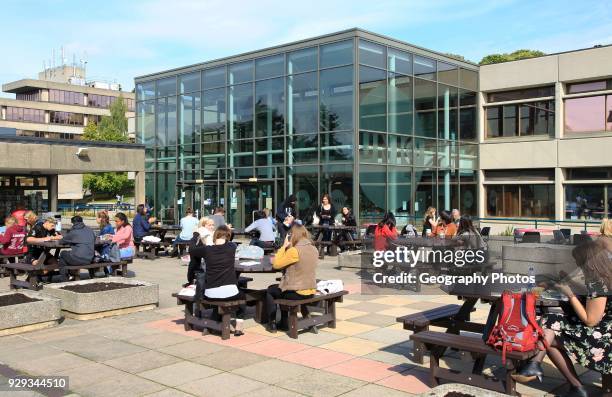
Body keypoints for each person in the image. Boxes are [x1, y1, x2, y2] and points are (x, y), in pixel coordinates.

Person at [513, 231, 611, 397]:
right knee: (551, 324)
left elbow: (590, 320)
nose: (578, 266)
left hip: (602, 340)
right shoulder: (605, 276)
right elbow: (594, 302)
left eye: (580, 263)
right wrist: (569, 282)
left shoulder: (598, 283)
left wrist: (569, 294)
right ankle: (536, 365)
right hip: (604, 330)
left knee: (550, 325)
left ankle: (539, 366)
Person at [266, 224, 317, 332]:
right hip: (310, 290)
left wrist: (284, 247)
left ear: (293, 235)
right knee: (281, 288)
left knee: (271, 291)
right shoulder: (313, 249)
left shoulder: (294, 250)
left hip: (297, 292)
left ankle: (272, 323)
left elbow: (276, 264)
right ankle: (283, 322)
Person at [58, 216, 96, 281]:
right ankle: (72, 275)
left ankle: (65, 278)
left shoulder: (73, 231)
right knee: (69, 255)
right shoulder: (90, 230)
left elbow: (61, 242)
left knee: (63, 254)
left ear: (73, 223)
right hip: (89, 259)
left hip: (78, 259)